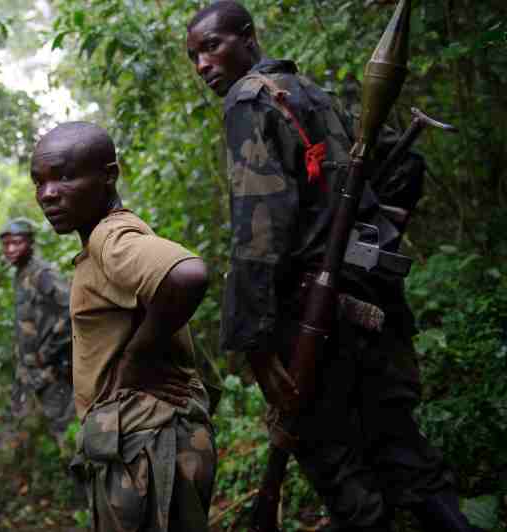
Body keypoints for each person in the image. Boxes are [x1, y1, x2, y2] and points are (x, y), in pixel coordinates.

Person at [186, 3, 477, 531]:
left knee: (337, 466)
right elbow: (403, 162)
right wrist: (377, 231)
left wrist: (253, 342)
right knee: (401, 450)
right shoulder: (317, 92)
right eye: (193, 56)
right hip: (373, 301)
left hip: (318, 317)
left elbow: (259, 230)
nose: (202, 64)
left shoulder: (248, 99)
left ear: (249, 39)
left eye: (212, 46)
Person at [31, 121, 217, 531]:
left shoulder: (110, 238)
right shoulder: (101, 242)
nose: (48, 194)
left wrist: (138, 356)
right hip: (145, 443)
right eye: (39, 182)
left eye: (64, 176)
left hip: (148, 447)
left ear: (109, 175)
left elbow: (187, 276)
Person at [0, 217, 76, 449]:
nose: (10, 249)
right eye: (6, 244)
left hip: (53, 370)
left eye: (17, 243)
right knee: (41, 424)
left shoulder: (42, 274)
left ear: (30, 243)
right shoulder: (21, 274)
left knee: (66, 429)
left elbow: (72, 311)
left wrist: (48, 352)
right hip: (35, 372)